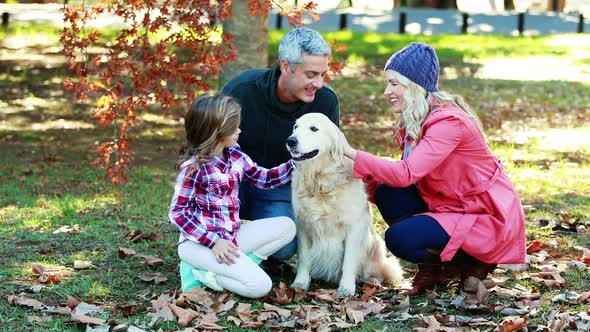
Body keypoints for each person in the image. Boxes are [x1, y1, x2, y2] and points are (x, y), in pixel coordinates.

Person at [338, 42, 526, 295]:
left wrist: (351, 153)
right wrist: (350, 176)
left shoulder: (448, 123)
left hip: (482, 214)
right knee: (386, 191)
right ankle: (436, 268)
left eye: (394, 84)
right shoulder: (418, 117)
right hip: (451, 203)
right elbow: (403, 178)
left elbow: (406, 173)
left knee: (399, 238)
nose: (386, 91)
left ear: (414, 85)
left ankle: (471, 262)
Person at [220, 27, 340, 267]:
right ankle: (221, 248)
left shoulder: (325, 101)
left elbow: (329, 159)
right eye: (311, 74)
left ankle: (252, 248)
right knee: (208, 219)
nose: (318, 83)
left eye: (322, 75)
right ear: (286, 67)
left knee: (285, 248)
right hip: (233, 182)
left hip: (280, 186)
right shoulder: (241, 90)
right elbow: (208, 145)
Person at [168, 94, 296, 298]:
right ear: (217, 132)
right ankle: (201, 273)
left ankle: (219, 268)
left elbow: (263, 178)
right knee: (261, 286)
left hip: (231, 237)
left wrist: (294, 164)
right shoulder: (194, 169)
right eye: (234, 127)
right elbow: (178, 213)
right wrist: (213, 241)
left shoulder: (235, 155)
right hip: (198, 245)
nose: (239, 130)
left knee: (287, 227)